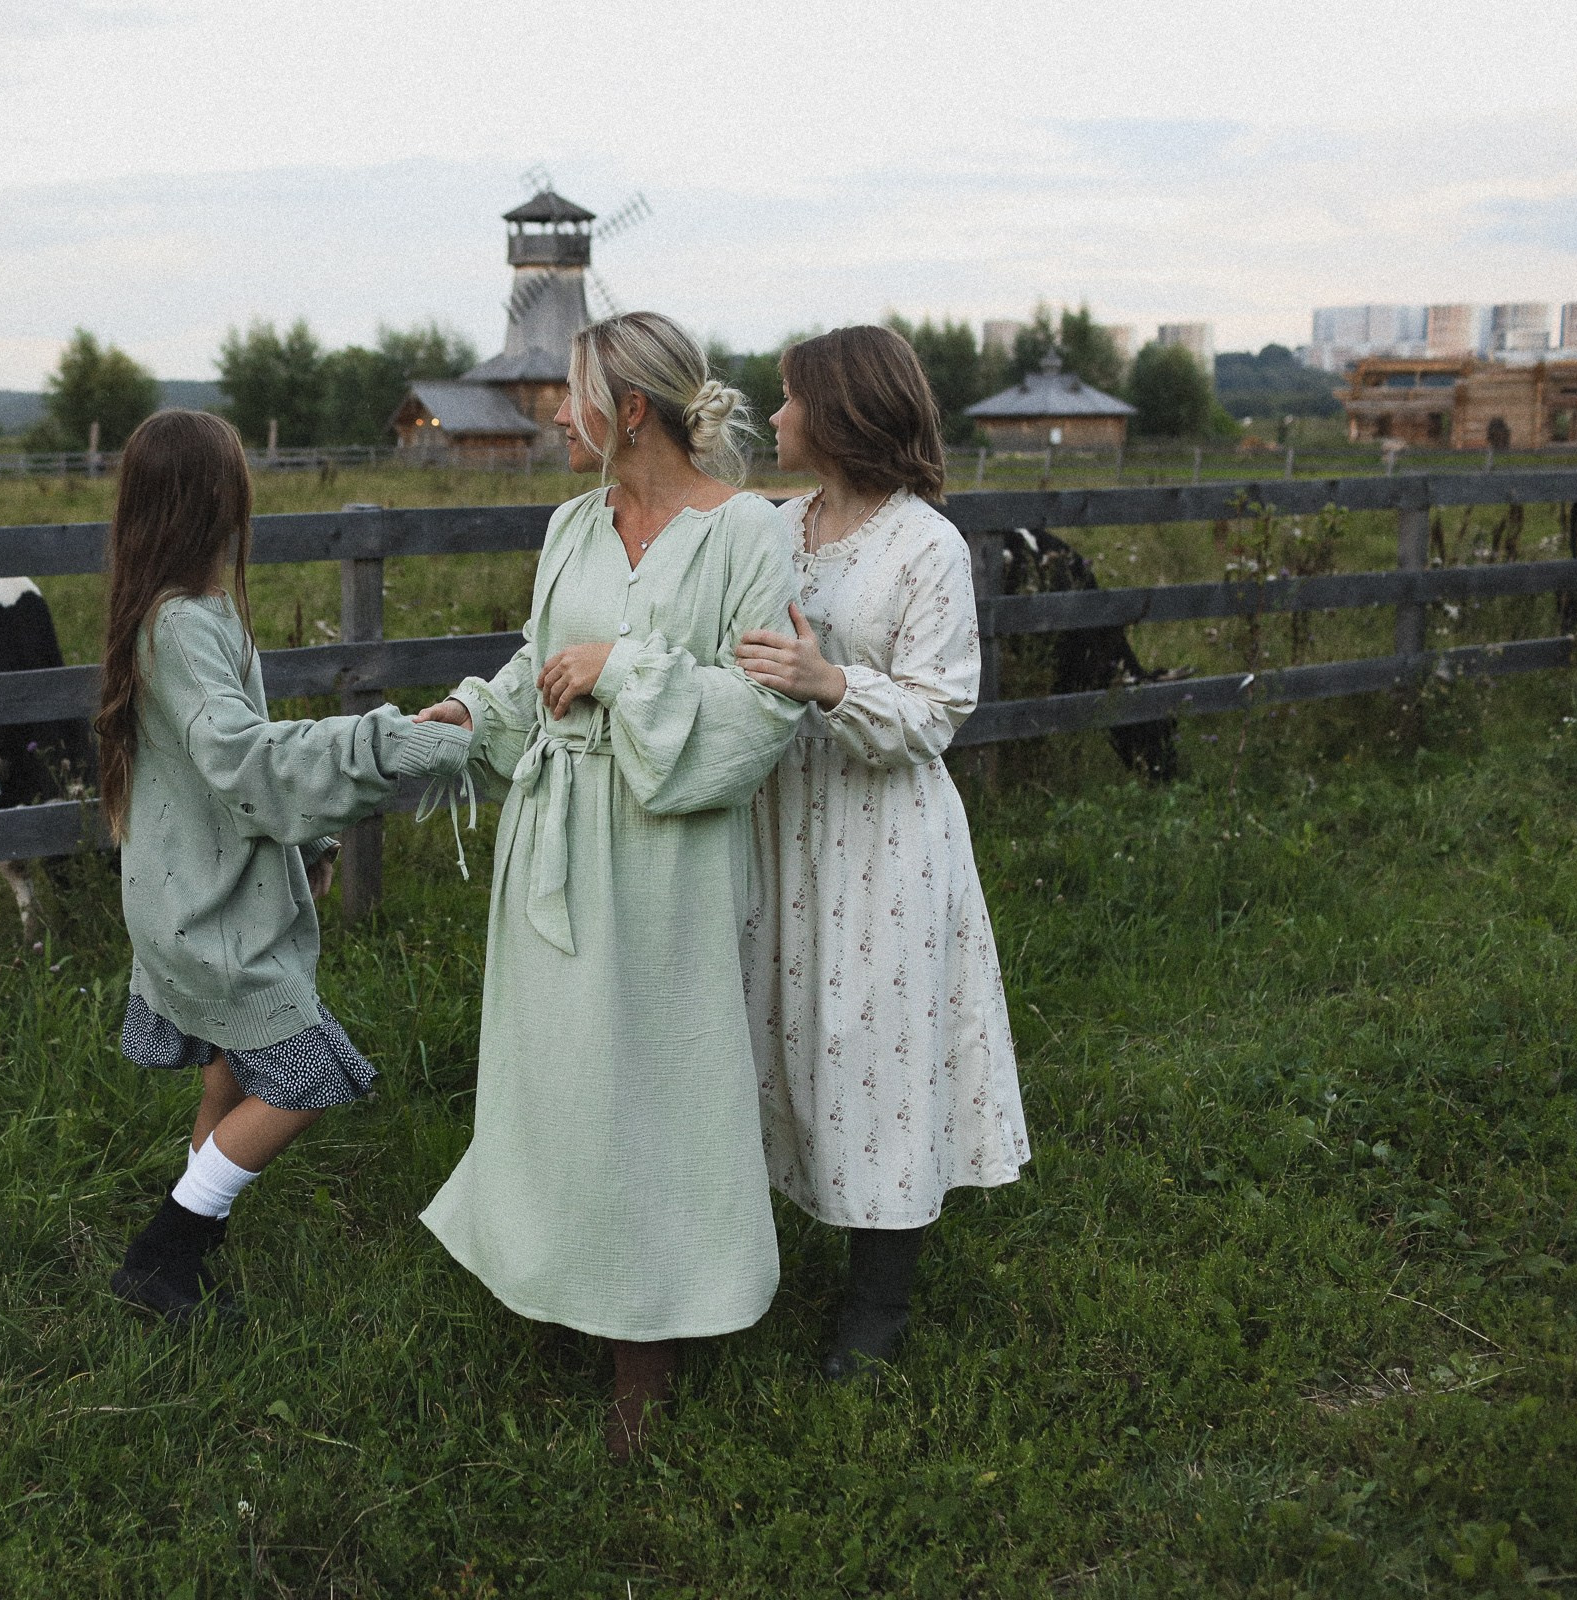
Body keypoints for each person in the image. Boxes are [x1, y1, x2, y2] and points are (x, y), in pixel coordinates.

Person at [412, 312, 806, 1456]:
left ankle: (649, 1344)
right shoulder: (570, 526)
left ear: (628, 410)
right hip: (559, 833)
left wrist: (624, 669)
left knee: (654, 1084)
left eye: (572, 391)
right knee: (563, 1080)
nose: (555, 411)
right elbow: (540, 661)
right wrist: (471, 711)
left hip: (666, 855)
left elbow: (766, 707)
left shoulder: (744, 535)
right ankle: (563, 1280)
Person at [99, 409, 477, 1321]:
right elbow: (247, 762)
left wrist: (309, 844)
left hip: (200, 893)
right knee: (306, 1081)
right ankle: (164, 1253)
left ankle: (192, 1254)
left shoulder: (196, 612)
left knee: (233, 1074)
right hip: (206, 913)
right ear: (214, 501)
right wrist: (385, 745)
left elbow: (228, 773)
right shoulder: (183, 626)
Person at [733, 326, 1032, 1379]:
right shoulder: (771, 528)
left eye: (787, 399)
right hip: (781, 821)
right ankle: (754, 1257)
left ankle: (877, 1308)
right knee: (782, 1025)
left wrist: (828, 684)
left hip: (884, 839)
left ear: (843, 412)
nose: (773, 419)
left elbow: (941, 708)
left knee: (876, 1045)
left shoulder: (924, 547)